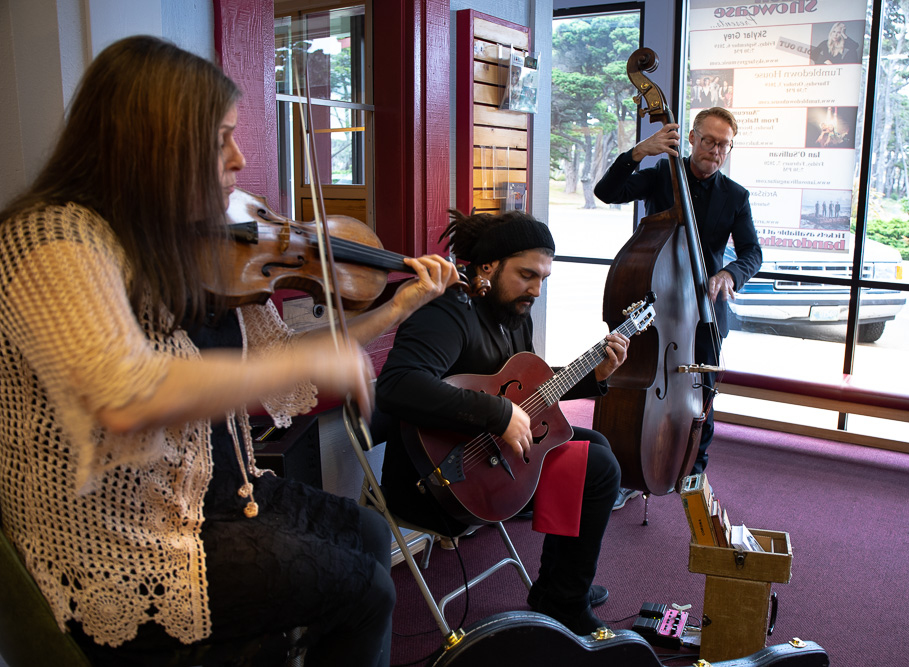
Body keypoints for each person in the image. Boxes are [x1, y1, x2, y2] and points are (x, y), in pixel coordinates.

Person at [0, 36, 459, 667]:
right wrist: (303, 363)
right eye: (221, 140)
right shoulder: (54, 240)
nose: (241, 159)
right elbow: (123, 396)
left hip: (209, 496)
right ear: (153, 144)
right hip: (123, 538)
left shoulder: (171, 244)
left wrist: (399, 306)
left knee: (372, 531)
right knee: (362, 588)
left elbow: (282, 358)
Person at [374, 210, 628, 635]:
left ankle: (560, 586)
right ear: (488, 266)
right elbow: (397, 386)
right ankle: (563, 600)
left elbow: (527, 396)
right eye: (527, 274)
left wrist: (594, 376)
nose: (536, 289)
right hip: (441, 480)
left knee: (595, 446)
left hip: (490, 461)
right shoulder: (446, 311)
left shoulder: (512, 314)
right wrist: (500, 414)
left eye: (543, 278)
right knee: (599, 470)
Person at [594, 107, 762, 492]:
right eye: (709, 141)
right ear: (691, 138)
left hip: (704, 310)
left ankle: (692, 470)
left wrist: (729, 273)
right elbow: (607, 193)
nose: (716, 151)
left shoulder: (735, 196)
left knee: (702, 396)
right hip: (656, 305)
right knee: (643, 384)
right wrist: (638, 153)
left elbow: (753, 253)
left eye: (724, 145)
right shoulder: (660, 177)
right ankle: (630, 474)